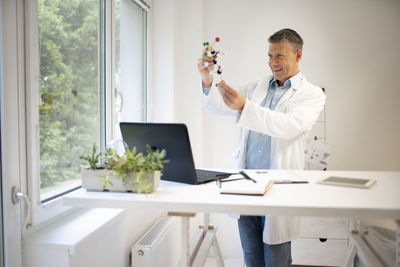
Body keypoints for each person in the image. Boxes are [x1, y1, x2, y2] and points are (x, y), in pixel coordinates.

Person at [197, 28, 326, 267]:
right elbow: (219, 105)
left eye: (279, 56)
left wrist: (245, 107)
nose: (273, 62)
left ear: (298, 55)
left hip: (279, 188)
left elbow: (288, 126)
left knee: (276, 259)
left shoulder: (312, 94)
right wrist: (207, 79)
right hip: (246, 185)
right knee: (251, 258)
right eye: (269, 56)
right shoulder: (258, 87)